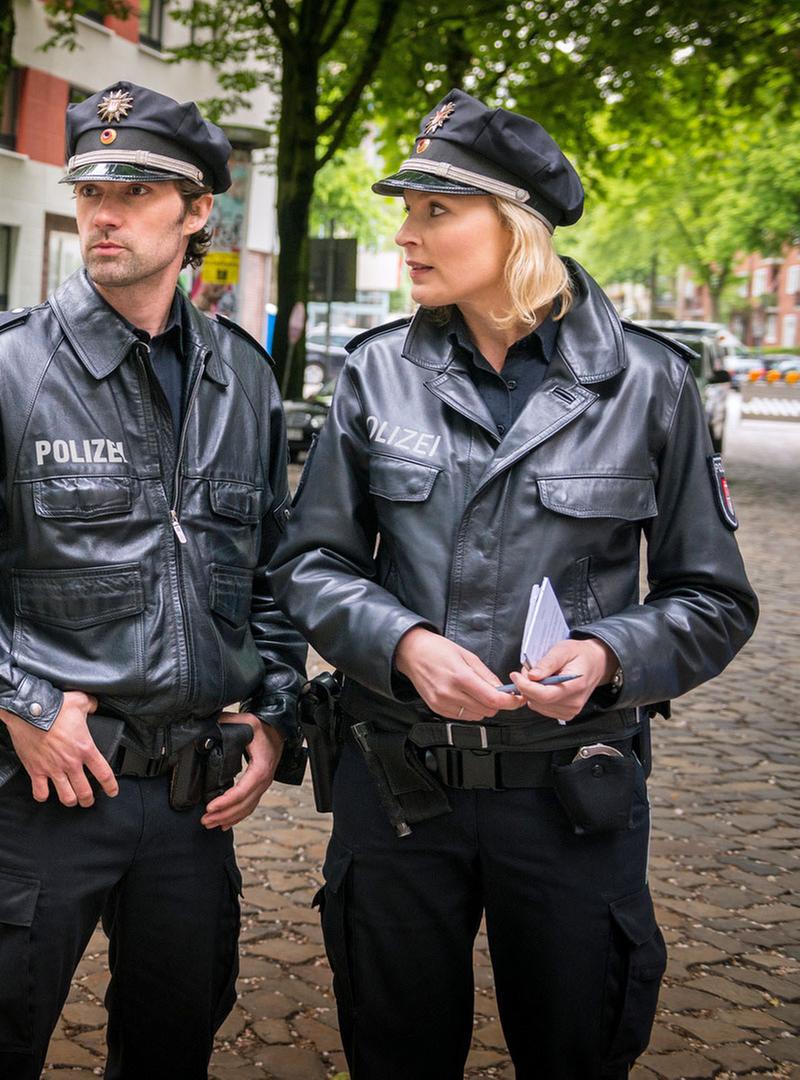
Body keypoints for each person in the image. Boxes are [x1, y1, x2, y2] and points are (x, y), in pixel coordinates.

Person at [268, 90, 759, 1080]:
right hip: (399, 786)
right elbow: (308, 564)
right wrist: (401, 643)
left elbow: (714, 596)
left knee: (577, 1046)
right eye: (407, 210)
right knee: (395, 1050)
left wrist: (610, 654)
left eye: (435, 210)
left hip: (571, 794)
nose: (405, 234)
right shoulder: (375, 374)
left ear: (516, 226)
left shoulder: (650, 383)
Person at [0, 82, 308, 1078]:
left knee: (173, 1045)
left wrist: (279, 715)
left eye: (139, 188)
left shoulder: (245, 379)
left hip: (195, 798)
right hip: (47, 783)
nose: (104, 210)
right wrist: (19, 704)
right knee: (0, 1046)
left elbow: (275, 571)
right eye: (91, 188)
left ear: (200, 213)